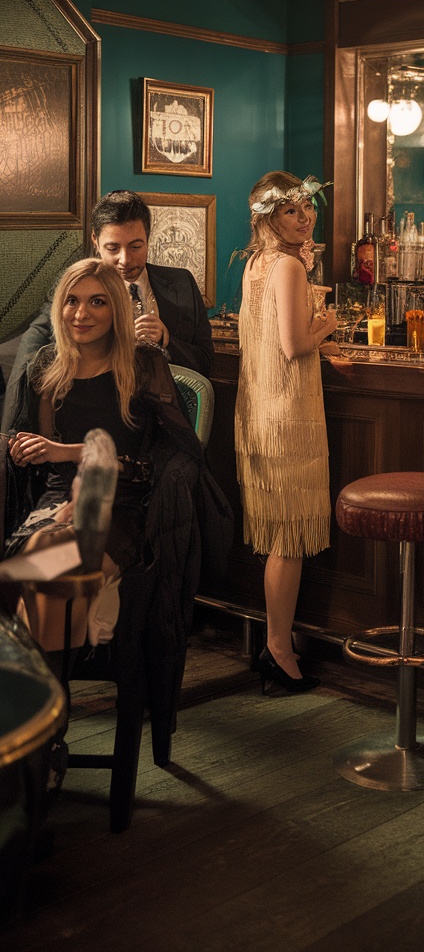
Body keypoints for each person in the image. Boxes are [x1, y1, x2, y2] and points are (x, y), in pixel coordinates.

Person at [2, 257, 232, 763]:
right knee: (45, 561)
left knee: (46, 576)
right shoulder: (46, 368)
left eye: (96, 301)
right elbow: (44, 459)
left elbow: (166, 460)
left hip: (123, 505)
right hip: (58, 502)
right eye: (71, 300)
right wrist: (21, 446)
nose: (80, 313)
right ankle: (40, 746)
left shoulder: (144, 364)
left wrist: (66, 454)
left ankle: (36, 751)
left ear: (116, 309)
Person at [234, 171, 337, 694]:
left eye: (308, 208)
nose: (306, 217)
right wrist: (329, 324)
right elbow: (296, 344)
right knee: (287, 541)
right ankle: (278, 650)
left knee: (278, 536)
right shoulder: (290, 265)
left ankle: (276, 642)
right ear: (268, 217)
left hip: (259, 409)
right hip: (290, 414)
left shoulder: (255, 264)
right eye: (294, 211)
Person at [2, 189, 214, 433]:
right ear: (95, 241)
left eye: (136, 246)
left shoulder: (182, 284)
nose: (125, 259)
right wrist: (8, 435)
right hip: (102, 425)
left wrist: (167, 340)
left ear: (148, 237)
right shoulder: (73, 290)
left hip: (167, 428)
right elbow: (29, 355)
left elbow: (206, 364)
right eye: (113, 248)